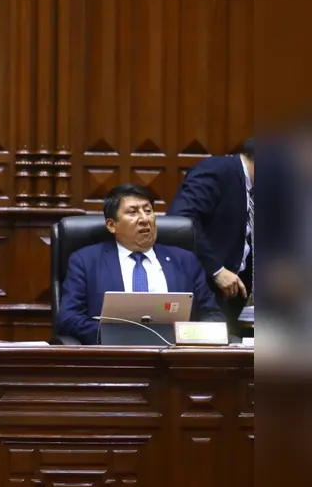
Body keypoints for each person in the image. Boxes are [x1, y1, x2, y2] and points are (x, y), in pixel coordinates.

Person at [56, 183, 224, 345]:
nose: (144, 219)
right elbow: (68, 318)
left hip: (175, 358)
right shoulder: (86, 261)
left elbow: (211, 314)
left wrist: (189, 336)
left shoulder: (184, 260)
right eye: (133, 212)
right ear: (111, 225)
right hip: (113, 359)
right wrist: (117, 335)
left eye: (148, 211)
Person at [167, 139, 254, 334]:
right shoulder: (217, 170)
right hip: (203, 289)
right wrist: (216, 270)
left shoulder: (254, 187)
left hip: (231, 295)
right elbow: (181, 222)